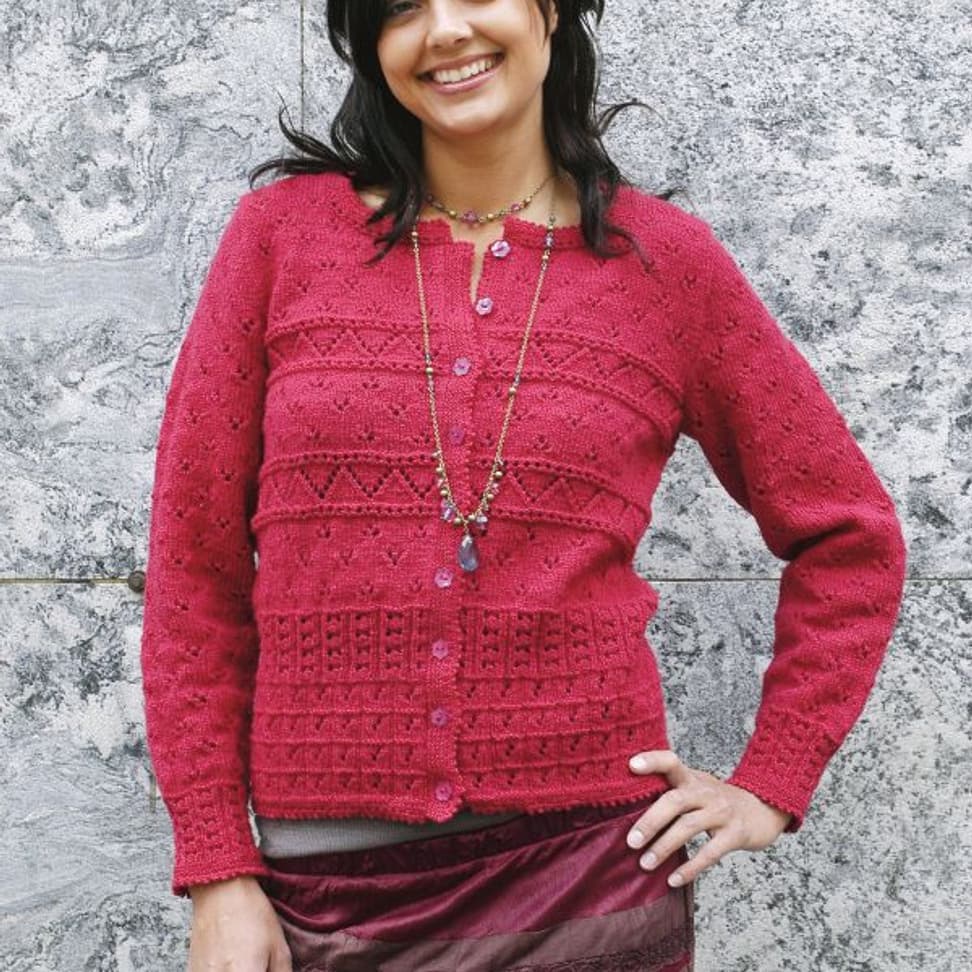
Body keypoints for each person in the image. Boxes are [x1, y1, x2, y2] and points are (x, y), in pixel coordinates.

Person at [139, 1, 908, 970]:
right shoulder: (283, 238)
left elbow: (850, 536)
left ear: (550, 10)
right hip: (327, 886)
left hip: (591, 874)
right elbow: (194, 569)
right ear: (371, 44)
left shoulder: (664, 264)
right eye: (402, 8)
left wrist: (771, 779)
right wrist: (218, 867)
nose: (445, 30)